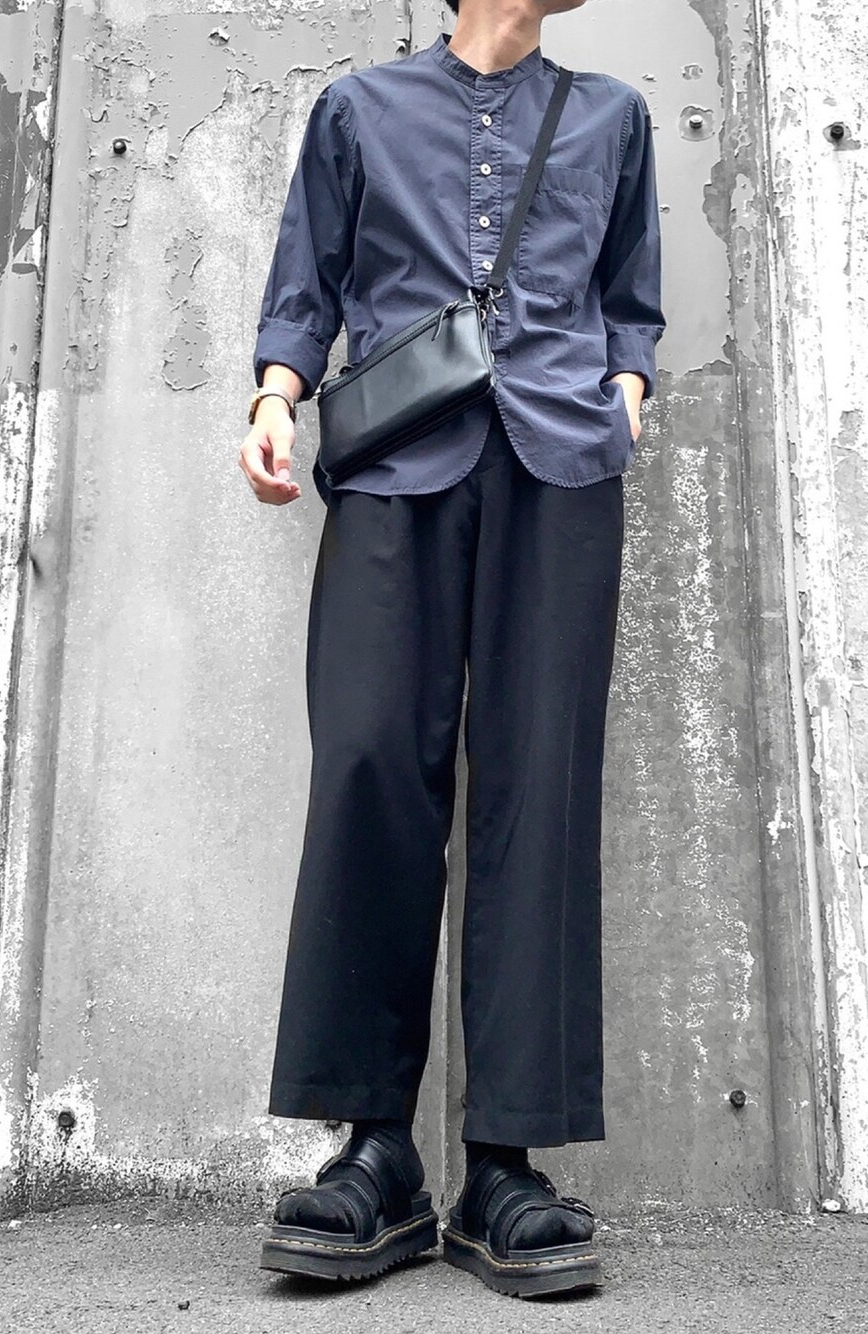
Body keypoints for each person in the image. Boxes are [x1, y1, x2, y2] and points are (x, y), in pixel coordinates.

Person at [238, 0, 664, 1300]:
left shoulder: (613, 117)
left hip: (559, 468)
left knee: (540, 785)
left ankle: (503, 1162)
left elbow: (631, 294)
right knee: (370, 763)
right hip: (395, 465)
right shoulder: (358, 110)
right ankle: (375, 1151)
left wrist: (628, 386)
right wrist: (274, 395)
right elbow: (306, 281)